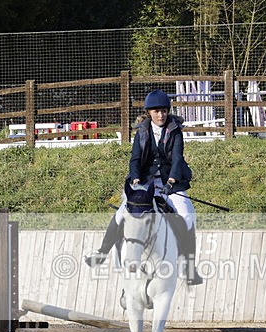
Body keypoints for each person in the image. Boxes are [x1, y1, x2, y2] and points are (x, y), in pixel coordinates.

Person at [84, 89, 203, 285]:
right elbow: (135, 159)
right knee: (122, 213)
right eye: (156, 111)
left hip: (170, 184)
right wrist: (137, 180)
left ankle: (190, 267)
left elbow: (177, 158)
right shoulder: (142, 132)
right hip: (145, 183)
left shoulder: (175, 130)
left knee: (188, 216)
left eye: (164, 111)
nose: (161, 115)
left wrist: (172, 181)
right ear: (149, 112)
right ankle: (101, 253)